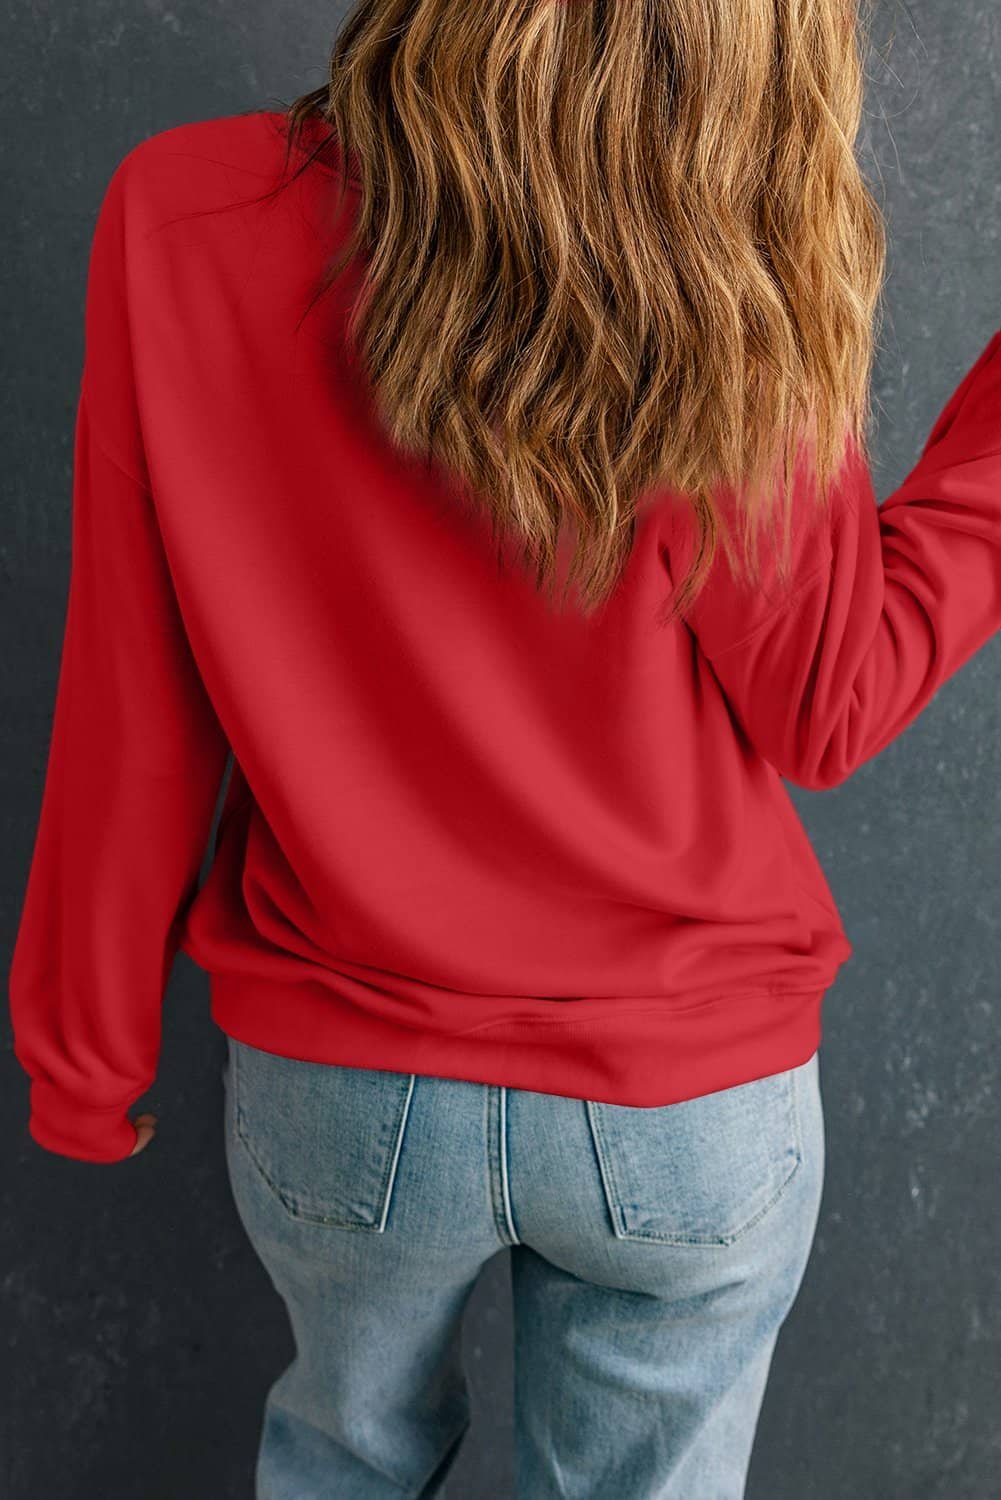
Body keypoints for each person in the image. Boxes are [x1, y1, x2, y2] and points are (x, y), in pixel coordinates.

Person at [7, 0, 1000, 1493]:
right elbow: (828, 702)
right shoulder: (725, 267)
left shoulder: (181, 211)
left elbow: (133, 690)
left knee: (338, 1467)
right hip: (680, 1090)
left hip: (344, 1084)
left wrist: (86, 1056)